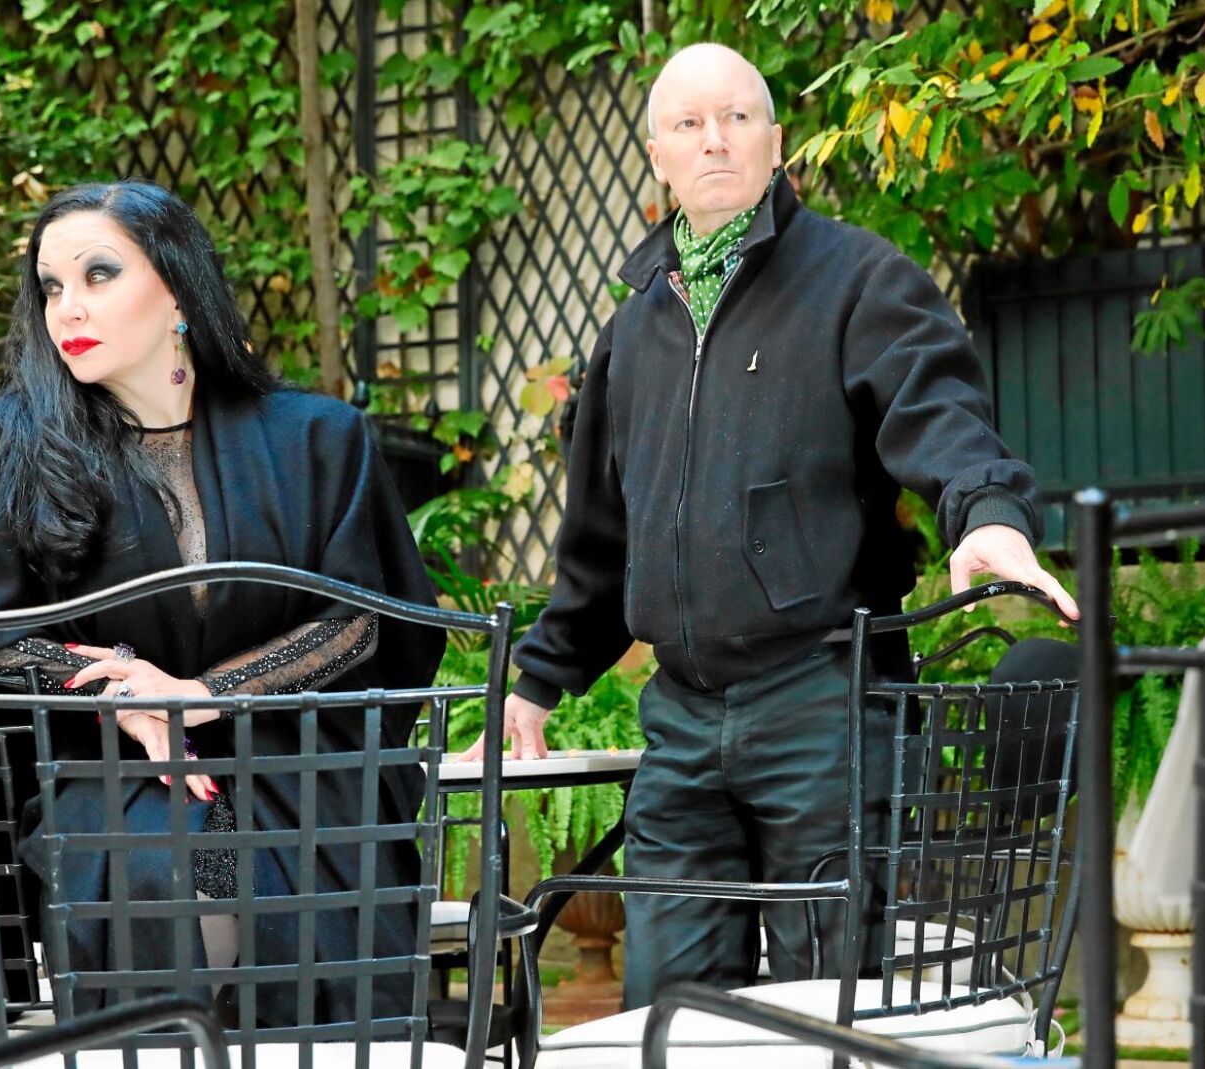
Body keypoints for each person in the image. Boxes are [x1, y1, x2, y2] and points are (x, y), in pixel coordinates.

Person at [456, 43, 1078, 1009]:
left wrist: (987, 514)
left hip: (823, 700)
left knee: (826, 1007)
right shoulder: (631, 334)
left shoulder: (859, 281)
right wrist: (539, 680)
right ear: (658, 156)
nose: (715, 140)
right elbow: (602, 541)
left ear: (776, 142)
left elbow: (943, 416)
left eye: (737, 118)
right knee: (669, 1011)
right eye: (689, 124)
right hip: (682, 714)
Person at [0, 180, 444, 1027]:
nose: (68, 307)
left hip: (292, 758)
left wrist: (205, 694)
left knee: (288, 863)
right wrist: (116, 689)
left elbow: (364, 617)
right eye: (51, 286)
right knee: (172, 861)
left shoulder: (316, 437)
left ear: (178, 287)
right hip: (92, 766)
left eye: (99, 273)